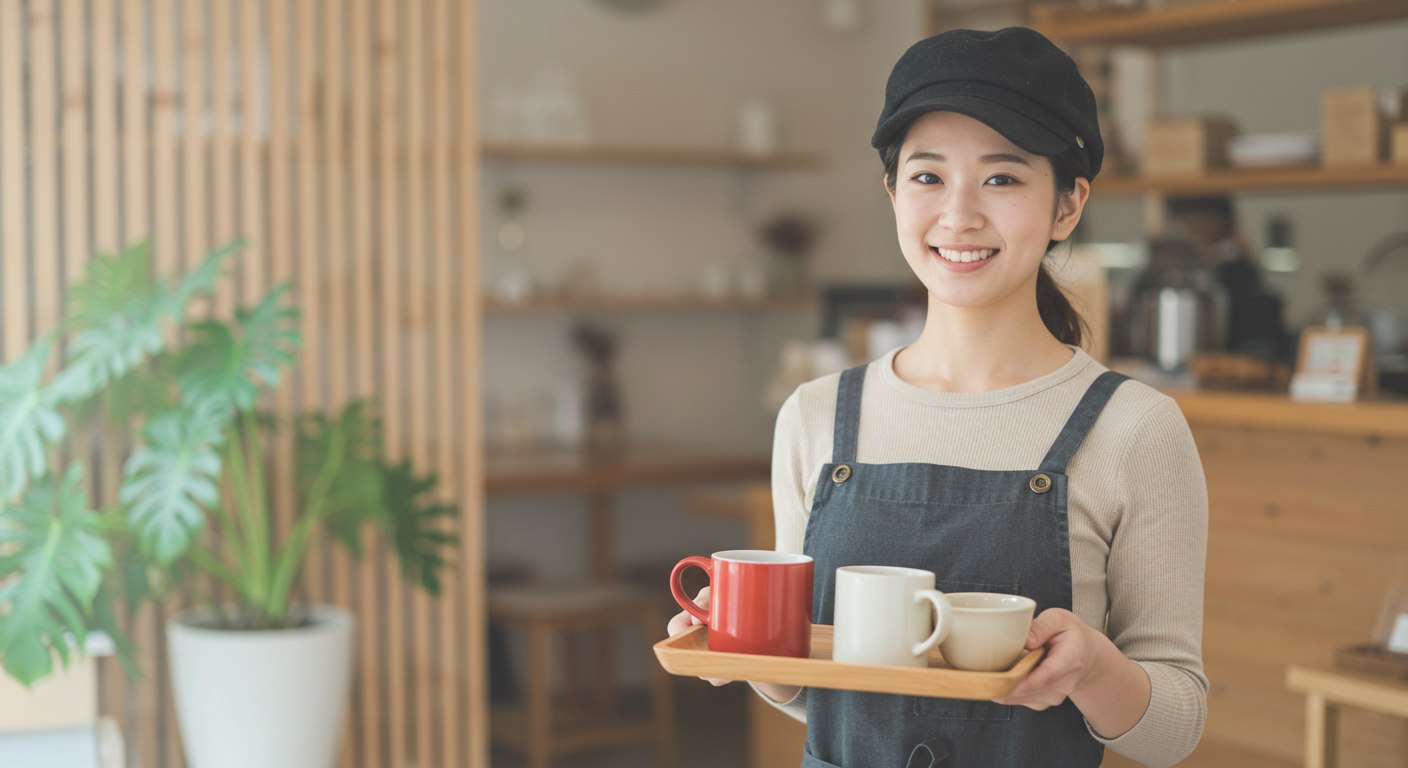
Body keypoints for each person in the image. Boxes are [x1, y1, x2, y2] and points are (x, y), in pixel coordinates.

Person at [667, 27, 1208, 768]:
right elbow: (809, 692)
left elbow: (1175, 728)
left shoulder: (1136, 430)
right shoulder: (816, 416)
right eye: (927, 177)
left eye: (1003, 178)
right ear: (892, 193)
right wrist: (744, 651)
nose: (958, 215)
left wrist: (1093, 668)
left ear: (1068, 205)